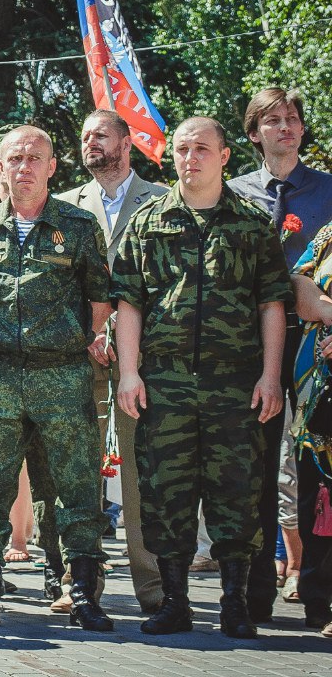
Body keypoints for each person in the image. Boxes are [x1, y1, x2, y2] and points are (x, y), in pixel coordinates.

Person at [113, 116, 291, 639]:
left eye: (202, 149)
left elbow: (272, 304)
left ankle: (234, 602)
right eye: (182, 150)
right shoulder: (148, 221)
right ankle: (175, 603)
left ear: (224, 156)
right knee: (165, 493)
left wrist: (271, 376)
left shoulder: (252, 224)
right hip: (164, 384)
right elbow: (129, 303)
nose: (190, 159)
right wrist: (129, 373)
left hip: (235, 384)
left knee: (236, 493)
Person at [0, 125, 114, 633]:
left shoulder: (78, 225)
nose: (25, 167)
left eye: (35, 158)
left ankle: (83, 594)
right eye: (14, 158)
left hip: (61, 376)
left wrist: (66, 336)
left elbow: (100, 300)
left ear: (53, 166)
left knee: (75, 486)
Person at [54, 109, 168, 613]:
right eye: (85, 136)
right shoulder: (64, 205)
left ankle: (153, 588)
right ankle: (78, 583)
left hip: (140, 360)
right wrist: (88, 333)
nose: (91, 143)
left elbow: (163, 284)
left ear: (126, 142)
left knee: (141, 473)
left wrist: (123, 333)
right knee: (77, 470)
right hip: (79, 357)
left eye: (101, 135)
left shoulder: (161, 201)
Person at [227, 88, 332, 623]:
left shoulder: (329, 191)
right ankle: (255, 592)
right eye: (273, 120)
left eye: (292, 119)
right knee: (257, 465)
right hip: (251, 343)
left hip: (318, 343)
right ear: (254, 133)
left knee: (318, 466)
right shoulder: (233, 193)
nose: (285, 127)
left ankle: (317, 592)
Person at [289, 224, 332, 638]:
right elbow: (299, 285)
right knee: (317, 498)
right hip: (319, 395)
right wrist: (328, 311)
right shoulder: (328, 236)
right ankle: (319, 598)